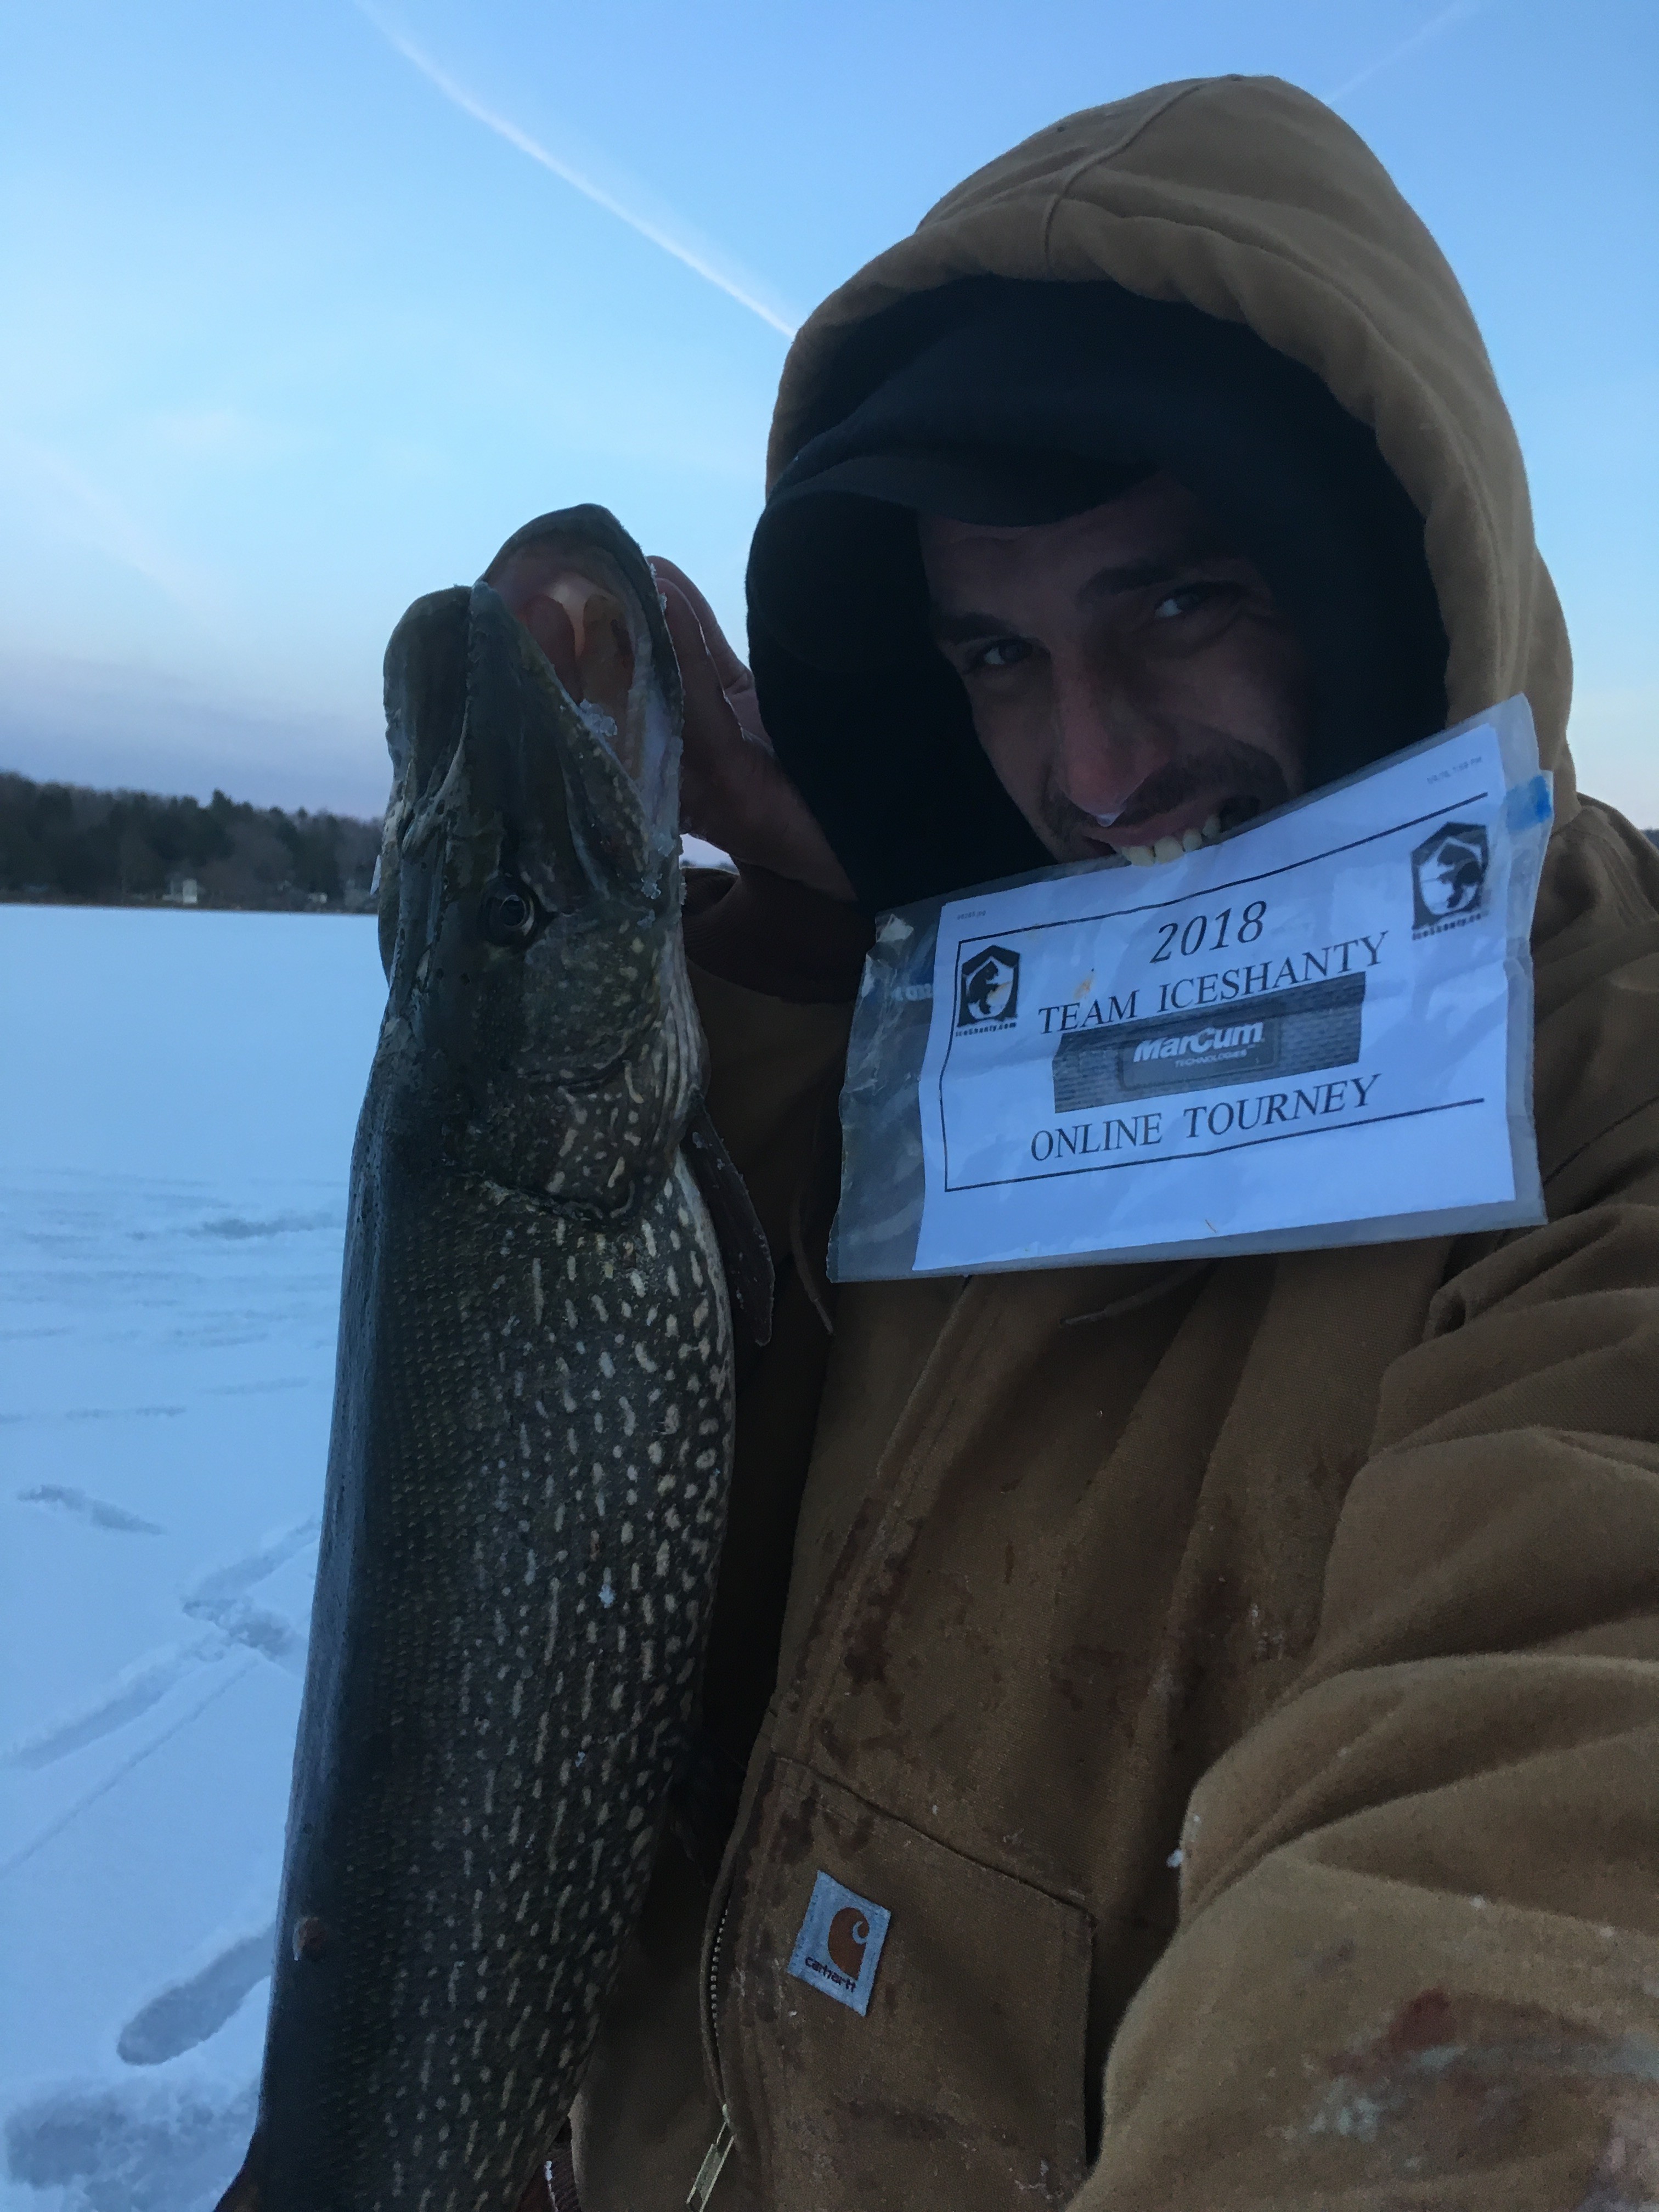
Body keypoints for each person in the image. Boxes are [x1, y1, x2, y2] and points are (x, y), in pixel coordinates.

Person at [509, 75, 1659, 2211]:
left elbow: (1539, 1822)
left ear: (1385, 568)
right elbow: (622, 1629)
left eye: (1182, 604)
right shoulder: (950, 1051)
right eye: (994, 655)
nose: (1098, 766)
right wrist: (808, 980)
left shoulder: (1608, 1084)